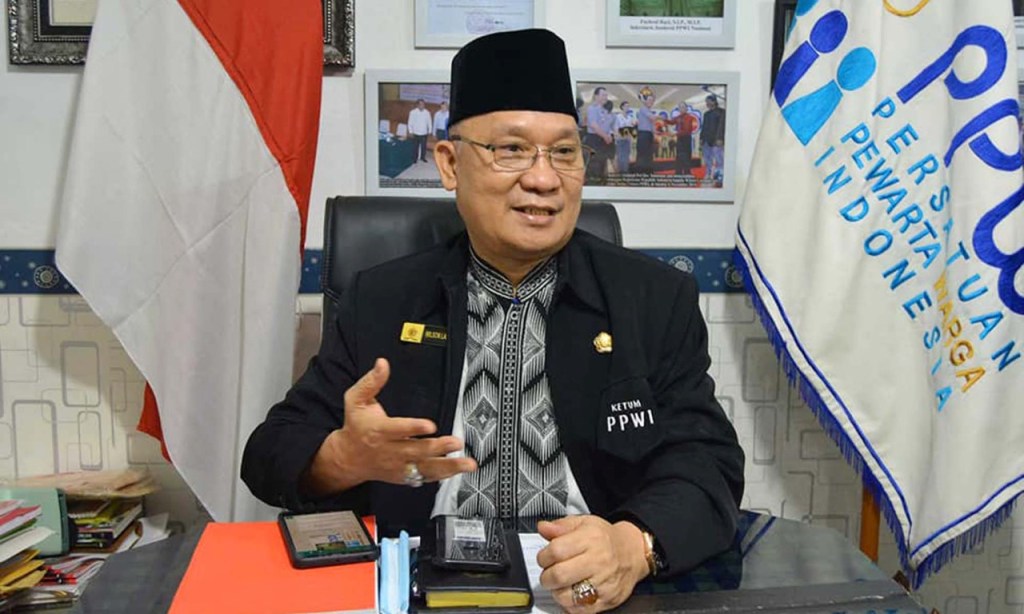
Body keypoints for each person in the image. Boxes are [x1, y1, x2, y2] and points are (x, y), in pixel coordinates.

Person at [242, 28, 743, 613]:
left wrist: (632, 546)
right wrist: (341, 459)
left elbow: (708, 462)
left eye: (564, 152)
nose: (544, 179)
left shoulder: (652, 299)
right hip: (425, 590)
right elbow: (270, 453)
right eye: (511, 150)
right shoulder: (382, 298)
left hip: (587, 595)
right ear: (450, 164)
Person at [584, 87, 614, 184]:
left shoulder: (604, 110)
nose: (605, 97)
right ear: (596, 96)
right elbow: (594, 125)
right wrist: (605, 136)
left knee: (602, 164)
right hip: (594, 140)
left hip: (603, 140)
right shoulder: (592, 109)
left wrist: (609, 135)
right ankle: (593, 186)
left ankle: (602, 185)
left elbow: (607, 126)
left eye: (606, 95)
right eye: (603, 95)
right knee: (594, 166)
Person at [700, 94, 726, 184]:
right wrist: (701, 138)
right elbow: (704, 127)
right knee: (707, 160)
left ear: (714, 101)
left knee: (719, 160)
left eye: (708, 101)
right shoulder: (706, 114)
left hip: (716, 141)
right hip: (706, 141)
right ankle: (708, 174)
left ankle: (719, 177)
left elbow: (721, 127)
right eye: (706, 102)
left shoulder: (721, 112)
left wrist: (720, 138)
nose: (707, 103)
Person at [635, 86, 658, 174]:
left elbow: (652, 125)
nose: (651, 102)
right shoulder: (643, 109)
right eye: (649, 100)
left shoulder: (649, 110)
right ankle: (640, 173)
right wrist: (661, 117)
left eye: (652, 101)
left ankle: (648, 172)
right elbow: (652, 118)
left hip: (649, 135)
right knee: (642, 154)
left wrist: (655, 133)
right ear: (645, 101)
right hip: (643, 135)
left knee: (649, 154)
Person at [672, 104, 698, 177]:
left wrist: (675, 134)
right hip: (679, 138)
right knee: (679, 156)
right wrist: (663, 119)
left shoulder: (689, 117)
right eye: (680, 108)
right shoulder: (678, 118)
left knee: (687, 155)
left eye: (683, 107)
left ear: (686, 108)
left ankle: (687, 172)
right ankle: (678, 172)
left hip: (686, 138)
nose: (681, 109)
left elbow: (686, 130)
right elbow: (671, 122)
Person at [614, 101, 637, 175]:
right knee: (620, 157)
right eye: (626, 106)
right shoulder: (618, 117)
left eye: (628, 106)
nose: (627, 107)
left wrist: (631, 137)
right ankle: (620, 172)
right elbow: (616, 129)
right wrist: (618, 136)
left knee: (626, 156)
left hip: (627, 140)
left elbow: (631, 129)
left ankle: (625, 172)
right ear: (622, 107)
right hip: (620, 140)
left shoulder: (630, 118)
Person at [407, 98, 432, 163]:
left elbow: (429, 122)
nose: (422, 105)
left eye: (423, 104)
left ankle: (423, 157)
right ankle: (414, 159)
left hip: (424, 133)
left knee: (423, 147)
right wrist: (410, 131)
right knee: (415, 147)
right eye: (420, 104)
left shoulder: (427, 112)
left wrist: (430, 131)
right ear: (417, 105)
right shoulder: (412, 112)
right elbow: (410, 122)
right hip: (415, 133)